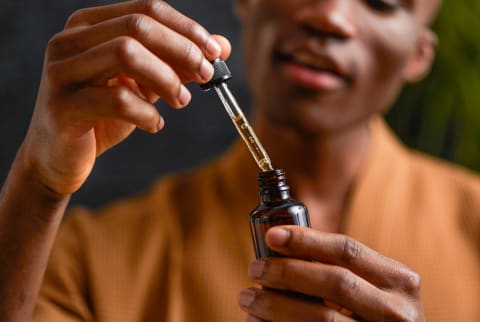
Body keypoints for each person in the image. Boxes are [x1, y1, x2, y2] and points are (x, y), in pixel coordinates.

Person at [0, 0, 479, 321]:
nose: (330, 16)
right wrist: (39, 183)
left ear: (418, 55)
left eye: (381, 0)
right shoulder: (87, 258)